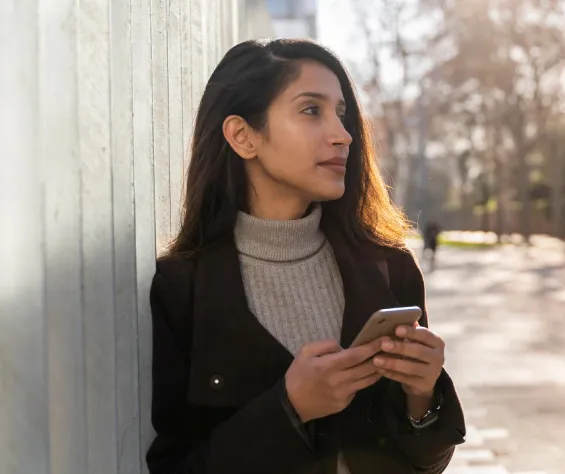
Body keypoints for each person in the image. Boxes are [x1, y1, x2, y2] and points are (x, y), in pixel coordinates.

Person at [146, 39, 465, 474]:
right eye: (312, 110)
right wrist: (288, 410)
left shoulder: (390, 268)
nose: (343, 135)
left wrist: (423, 396)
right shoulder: (183, 288)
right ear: (243, 136)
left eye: (341, 113)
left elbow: (425, 465)